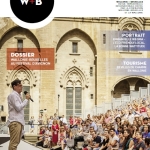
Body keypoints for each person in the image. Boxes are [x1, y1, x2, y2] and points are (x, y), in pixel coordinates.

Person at [6, 79, 30, 150]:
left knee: (15, 143)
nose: (21, 87)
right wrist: (26, 99)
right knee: (14, 143)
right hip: (15, 122)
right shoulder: (13, 95)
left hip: (18, 122)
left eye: (21, 85)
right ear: (14, 86)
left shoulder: (17, 95)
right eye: (19, 85)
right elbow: (18, 108)